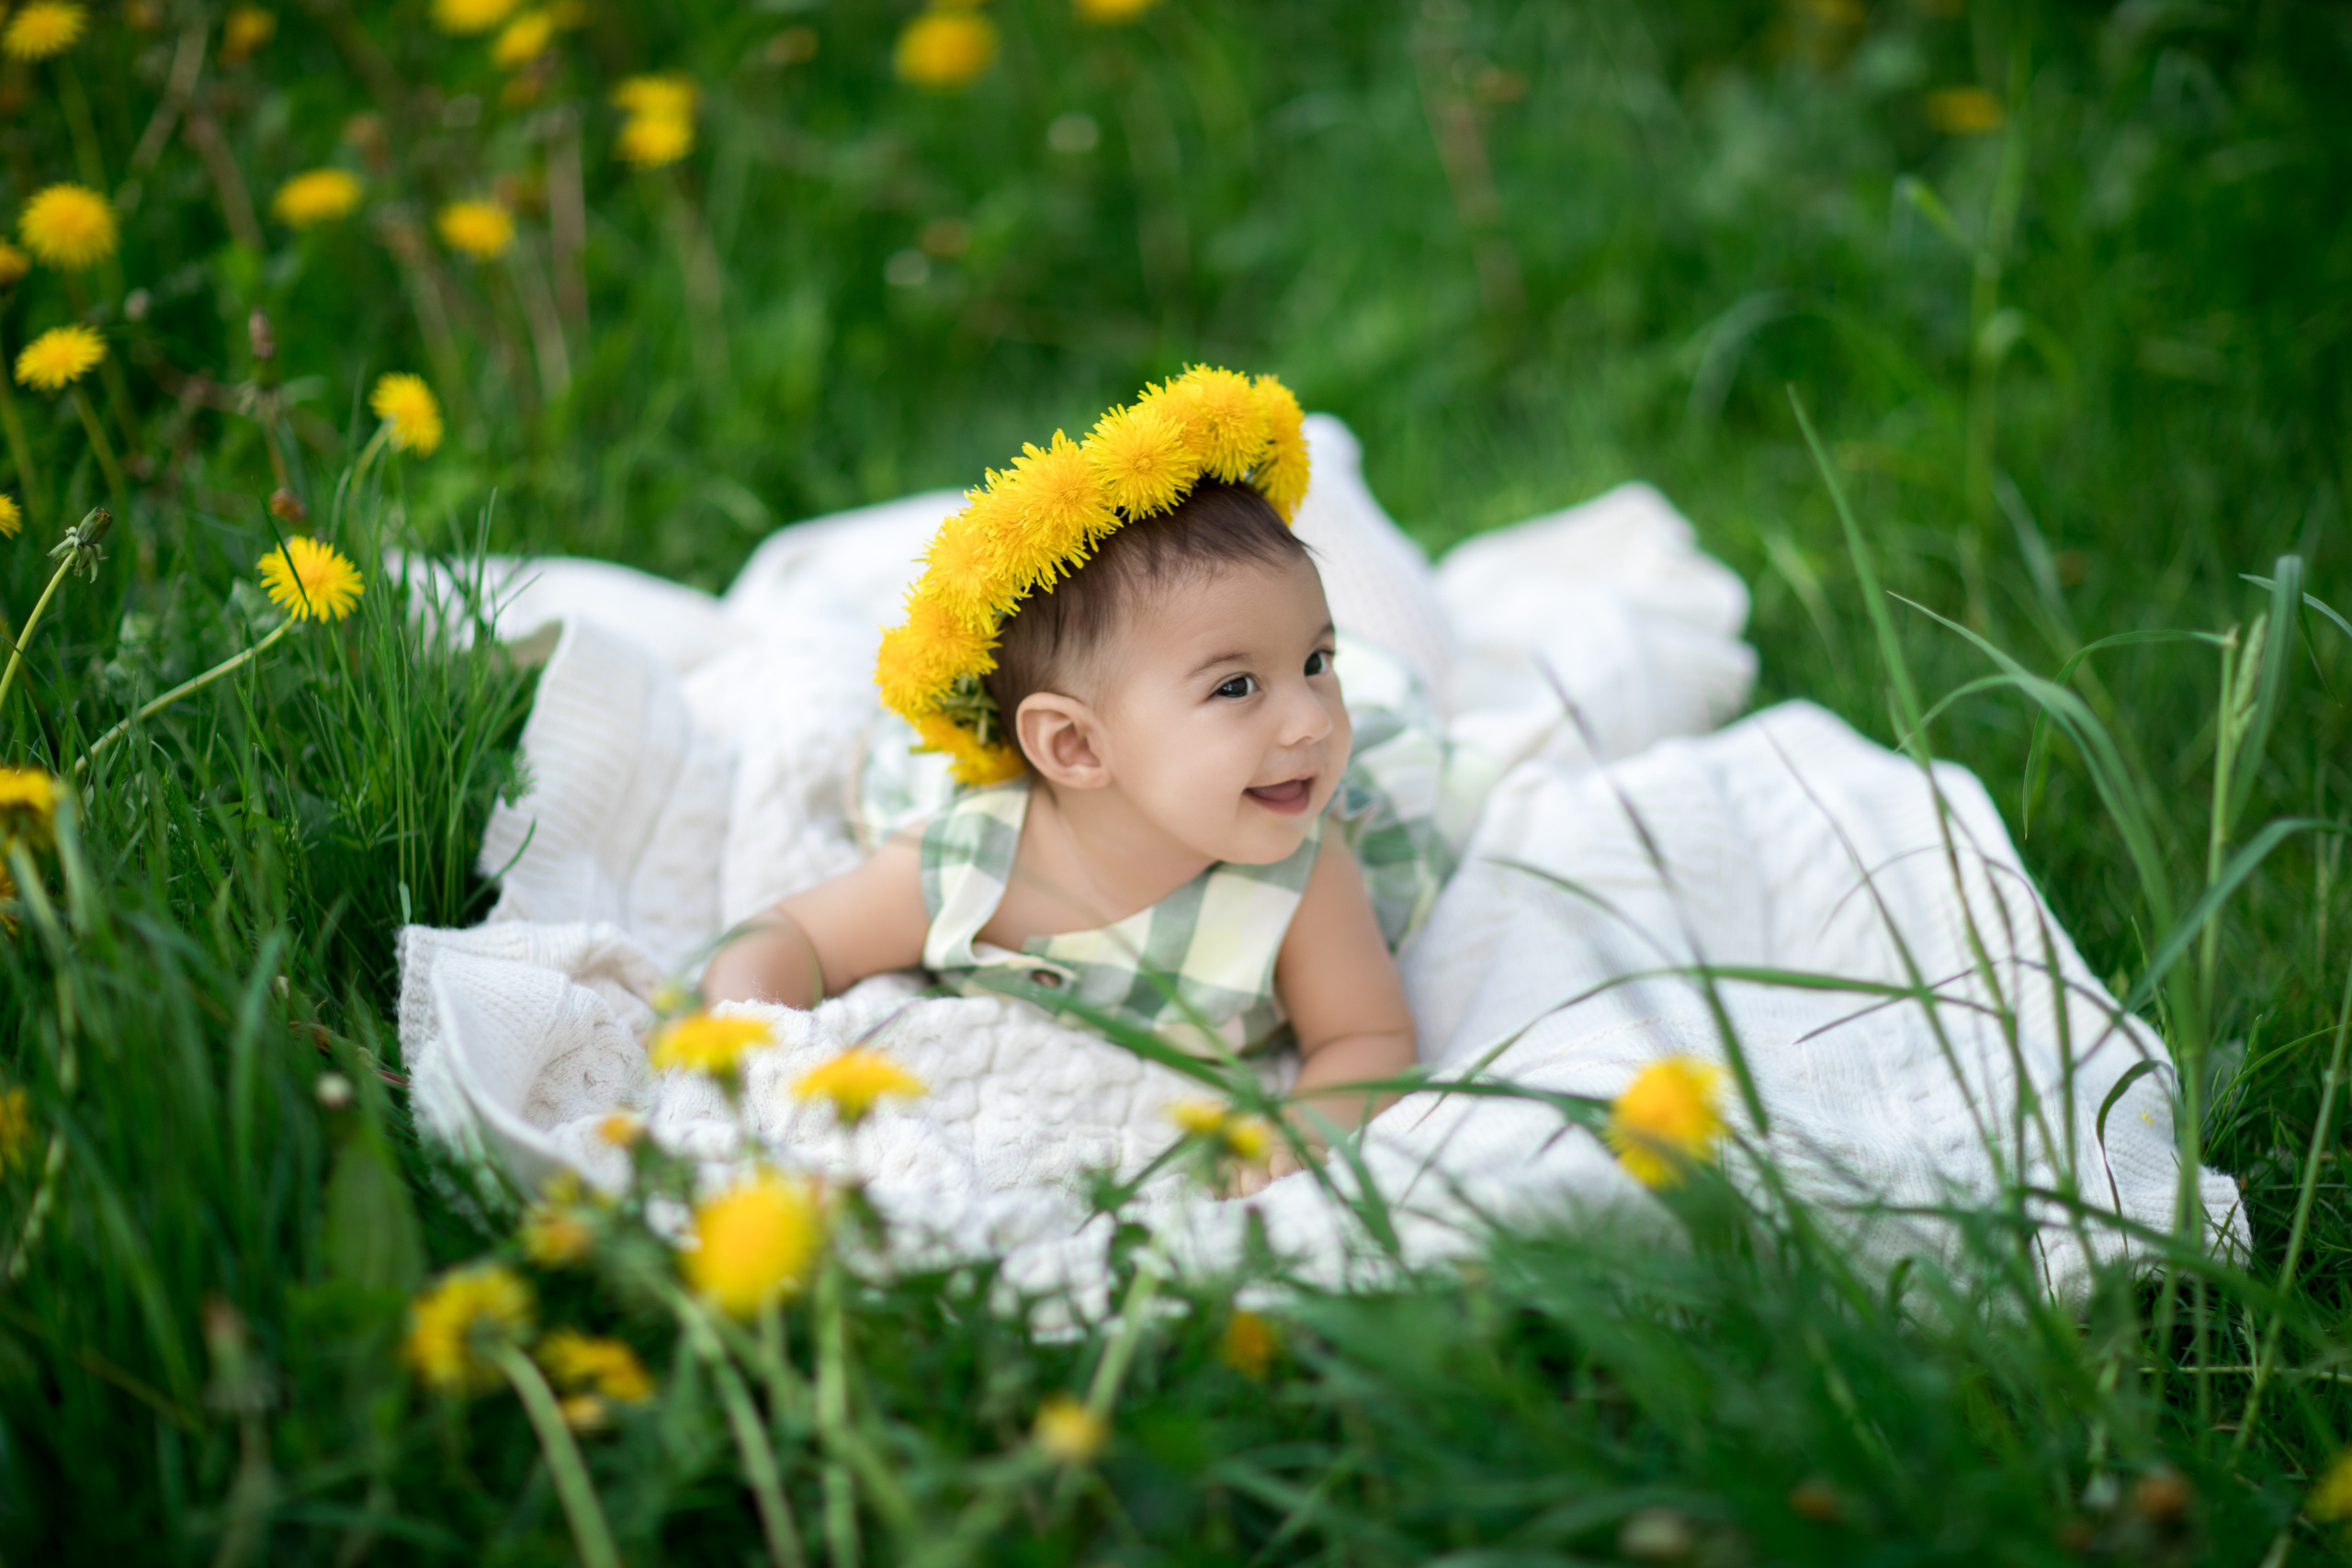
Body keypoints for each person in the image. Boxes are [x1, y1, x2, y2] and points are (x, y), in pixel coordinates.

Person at [704, 368, 1443, 1186]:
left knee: (1413, 687)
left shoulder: (1306, 865)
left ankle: (1334, 473)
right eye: (1235, 686)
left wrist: (1293, 1139)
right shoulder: (967, 867)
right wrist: (751, 1054)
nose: (1311, 719)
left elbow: (1365, 1040)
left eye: (1317, 660)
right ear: (1076, 748)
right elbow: (790, 938)